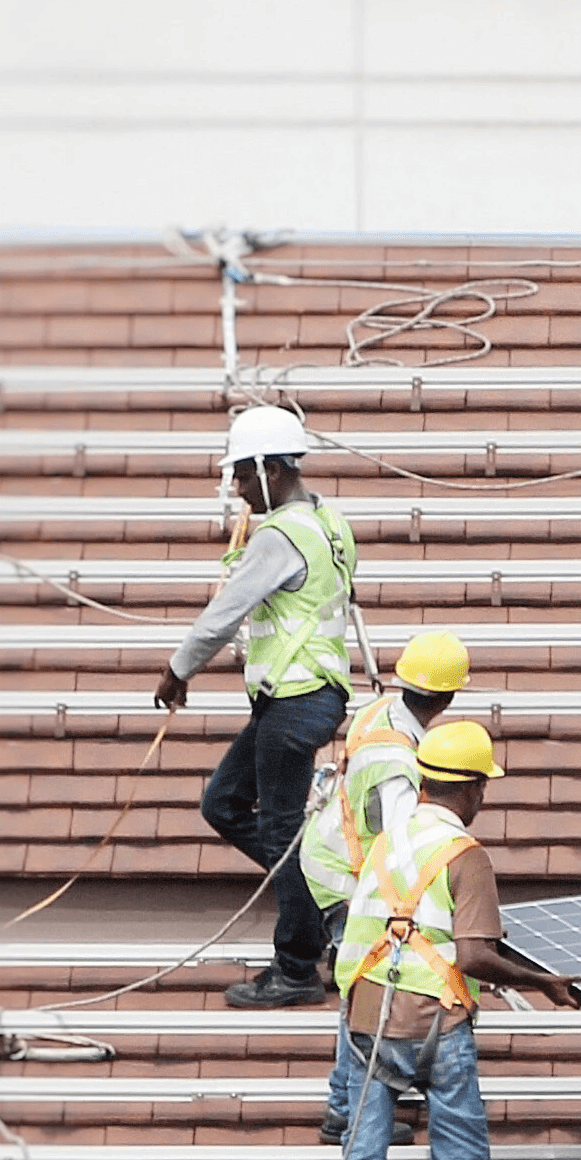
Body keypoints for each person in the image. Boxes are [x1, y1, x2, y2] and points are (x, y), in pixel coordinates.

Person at [315, 720, 581, 1160]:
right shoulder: (467, 855)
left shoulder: (386, 844)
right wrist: (542, 982)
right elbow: (475, 956)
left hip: (368, 1023)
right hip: (437, 1025)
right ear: (470, 789)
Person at [154, 403, 358, 1009]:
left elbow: (224, 613)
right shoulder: (329, 522)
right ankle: (327, 906)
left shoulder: (279, 536)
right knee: (224, 803)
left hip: (296, 700)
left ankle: (296, 968)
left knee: (281, 833)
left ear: (272, 469)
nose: (239, 490)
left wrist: (178, 670)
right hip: (306, 697)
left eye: (243, 475)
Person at [298, 630, 471, 1144]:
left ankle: (352, 1100)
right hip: (347, 873)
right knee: (360, 983)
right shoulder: (398, 765)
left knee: (361, 981)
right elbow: (404, 846)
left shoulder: (379, 711)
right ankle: (345, 1109)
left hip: (332, 854)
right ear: (448, 697)